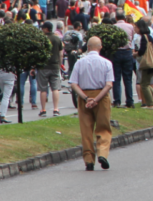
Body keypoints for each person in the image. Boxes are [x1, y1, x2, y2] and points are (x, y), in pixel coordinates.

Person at [68, 36, 114, 171]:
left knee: (86, 130)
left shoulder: (80, 63)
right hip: (101, 96)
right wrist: (97, 99)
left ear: (87, 47)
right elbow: (109, 85)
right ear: (100, 47)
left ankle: (89, 159)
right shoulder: (106, 63)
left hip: (84, 97)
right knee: (104, 128)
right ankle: (103, 153)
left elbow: (73, 84)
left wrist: (85, 97)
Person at [132, 20, 153, 109]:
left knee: (144, 85)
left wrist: (135, 54)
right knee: (146, 83)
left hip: (147, 64)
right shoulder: (148, 37)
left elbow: (142, 51)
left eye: (136, 27)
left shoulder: (144, 38)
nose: (135, 29)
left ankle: (151, 104)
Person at [36, 21, 64, 117]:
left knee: (43, 89)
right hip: (55, 66)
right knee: (55, 88)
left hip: (43, 66)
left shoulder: (41, 39)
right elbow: (61, 53)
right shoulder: (57, 39)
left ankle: (43, 109)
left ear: (46, 29)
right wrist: (60, 64)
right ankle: (56, 109)